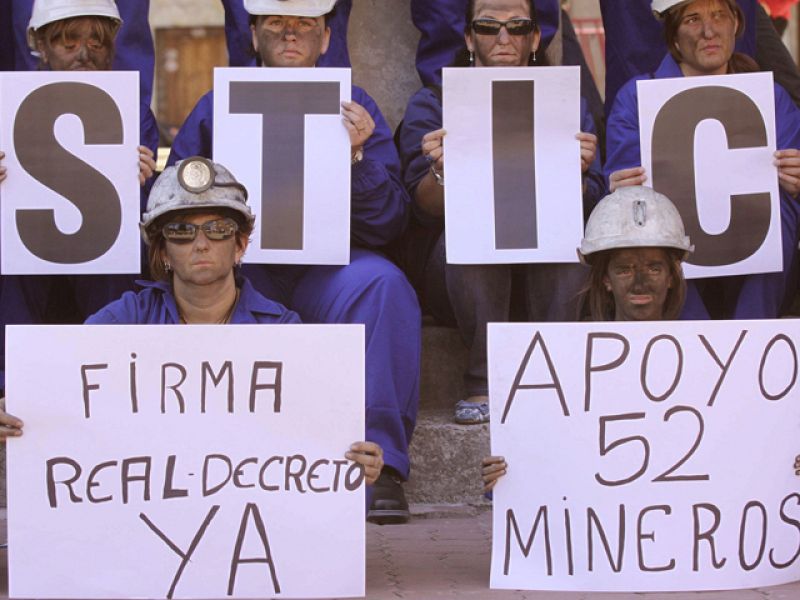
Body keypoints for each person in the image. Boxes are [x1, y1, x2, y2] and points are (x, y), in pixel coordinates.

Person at [169, 0, 420, 525]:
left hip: (326, 269)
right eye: (276, 26)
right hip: (243, 273)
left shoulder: (354, 105)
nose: (290, 36)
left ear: (326, 38)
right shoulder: (218, 104)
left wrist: (356, 156)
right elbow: (173, 200)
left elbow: (390, 224)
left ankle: (382, 468)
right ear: (253, 35)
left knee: (384, 285)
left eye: (304, 26)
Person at [0, 156, 386, 490]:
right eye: (181, 231)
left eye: (217, 230)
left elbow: (318, 436)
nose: (201, 243)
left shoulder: (284, 334)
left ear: (240, 245)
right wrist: (17, 406)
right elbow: (59, 381)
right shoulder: (125, 321)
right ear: (162, 251)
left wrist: (355, 462)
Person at [395, 0, 605, 426]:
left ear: (535, 38)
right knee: (474, 234)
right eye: (489, 26)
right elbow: (421, 208)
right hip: (460, 274)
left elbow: (592, 202)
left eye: (518, 25)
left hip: (545, 266)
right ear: (470, 39)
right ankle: (484, 381)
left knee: (571, 240)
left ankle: (554, 378)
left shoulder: (565, 102)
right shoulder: (434, 103)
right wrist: (440, 171)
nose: (504, 37)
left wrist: (579, 173)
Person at [482, 185, 693, 489]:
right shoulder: (567, 363)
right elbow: (545, 453)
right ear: (605, 279)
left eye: (654, 267)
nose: (640, 282)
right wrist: (505, 475)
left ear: (672, 276)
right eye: (624, 270)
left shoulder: (704, 362)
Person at [604, 0, 800, 320]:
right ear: (674, 36)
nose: (709, 31)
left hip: (751, 244)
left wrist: (796, 183)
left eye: (719, 15)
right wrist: (617, 190)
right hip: (673, 247)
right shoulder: (635, 97)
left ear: (735, 24)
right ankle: (695, 336)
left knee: (784, 203)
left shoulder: (772, 97)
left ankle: (753, 330)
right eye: (693, 19)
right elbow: (621, 188)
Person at [0, 0, 158, 394]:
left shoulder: (132, 111)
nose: (85, 54)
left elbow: (151, 212)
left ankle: (115, 381)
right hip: (25, 255)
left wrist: (144, 181)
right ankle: (13, 387)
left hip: (102, 253)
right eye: (69, 43)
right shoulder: (7, 108)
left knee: (121, 257)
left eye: (97, 43)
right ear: (40, 44)